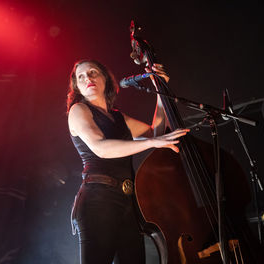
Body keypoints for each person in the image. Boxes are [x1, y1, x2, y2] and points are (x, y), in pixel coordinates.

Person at [67, 59, 189, 264]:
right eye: (81, 77)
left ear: (105, 78)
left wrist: (160, 91)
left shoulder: (118, 117)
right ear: (77, 87)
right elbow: (101, 148)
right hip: (98, 200)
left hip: (127, 202)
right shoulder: (79, 110)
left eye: (93, 72)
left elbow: (156, 133)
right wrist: (153, 141)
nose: (88, 78)